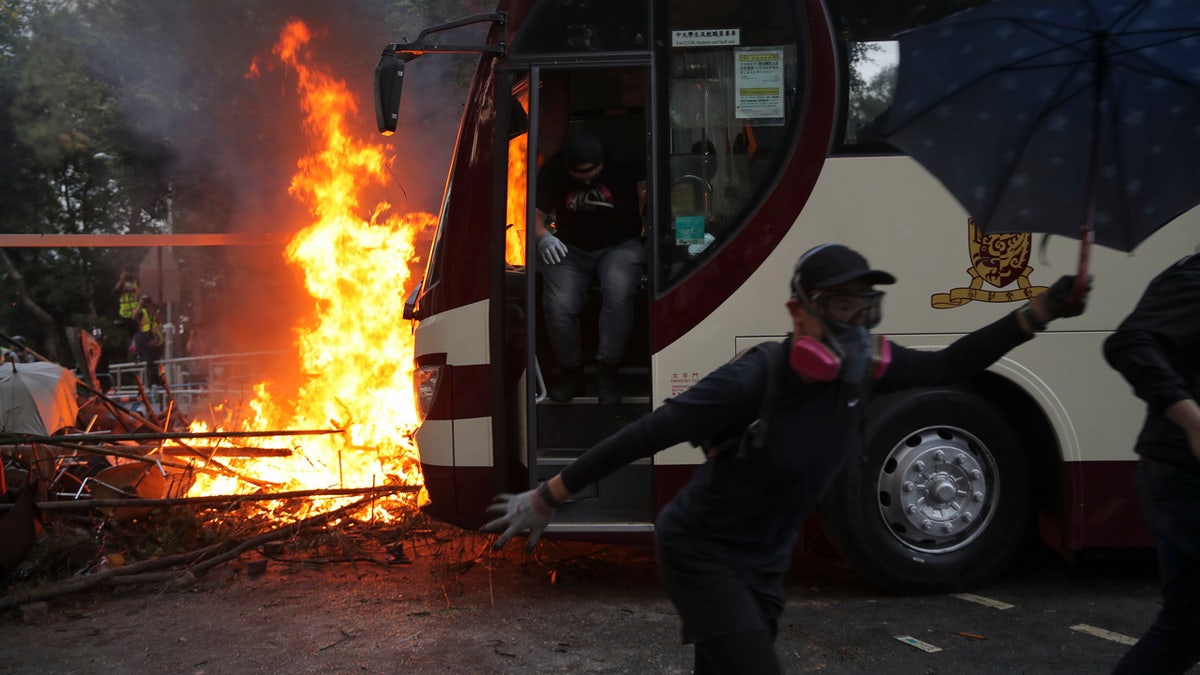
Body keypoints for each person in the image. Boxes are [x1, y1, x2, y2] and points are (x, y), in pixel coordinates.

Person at [484, 243, 1087, 673]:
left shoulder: (868, 367)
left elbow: (952, 364)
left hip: (765, 563)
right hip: (704, 553)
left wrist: (1043, 311)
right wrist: (548, 495)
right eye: (840, 306)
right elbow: (648, 432)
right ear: (800, 310)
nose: (854, 323)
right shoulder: (755, 379)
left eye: (863, 307)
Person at [1104, 252, 1200, 674]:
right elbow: (1130, 341)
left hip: (1177, 473)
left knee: (1187, 627)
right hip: (1187, 474)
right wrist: (1193, 420)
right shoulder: (1194, 277)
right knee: (1184, 627)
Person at [535, 128, 647, 405]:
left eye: (592, 171)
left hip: (621, 244)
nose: (587, 177)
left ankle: (607, 369)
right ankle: (570, 370)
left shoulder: (624, 162)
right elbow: (533, 216)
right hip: (570, 248)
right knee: (559, 303)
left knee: (618, 289)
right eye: (580, 173)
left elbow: (647, 195)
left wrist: (648, 230)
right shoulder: (551, 171)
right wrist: (543, 237)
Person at [130, 295, 165, 386]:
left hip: (155, 337)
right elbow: (133, 316)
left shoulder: (156, 310)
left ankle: (154, 380)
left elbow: (160, 320)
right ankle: (153, 381)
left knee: (152, 360)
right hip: (145, 336)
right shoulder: (142, 311)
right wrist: (140, 305)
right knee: (150, 360)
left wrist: (152, 310)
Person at [113, 266, 141, 333]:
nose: (127, 274)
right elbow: (116, 290)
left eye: (128, 272)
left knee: (137, 333)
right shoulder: (121, 283)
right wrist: (122, 279)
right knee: (125, 334)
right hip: (124, 314)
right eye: (125, 273)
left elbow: (137, 292)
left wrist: (127, 289)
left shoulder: (135, 282)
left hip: (135, 313)